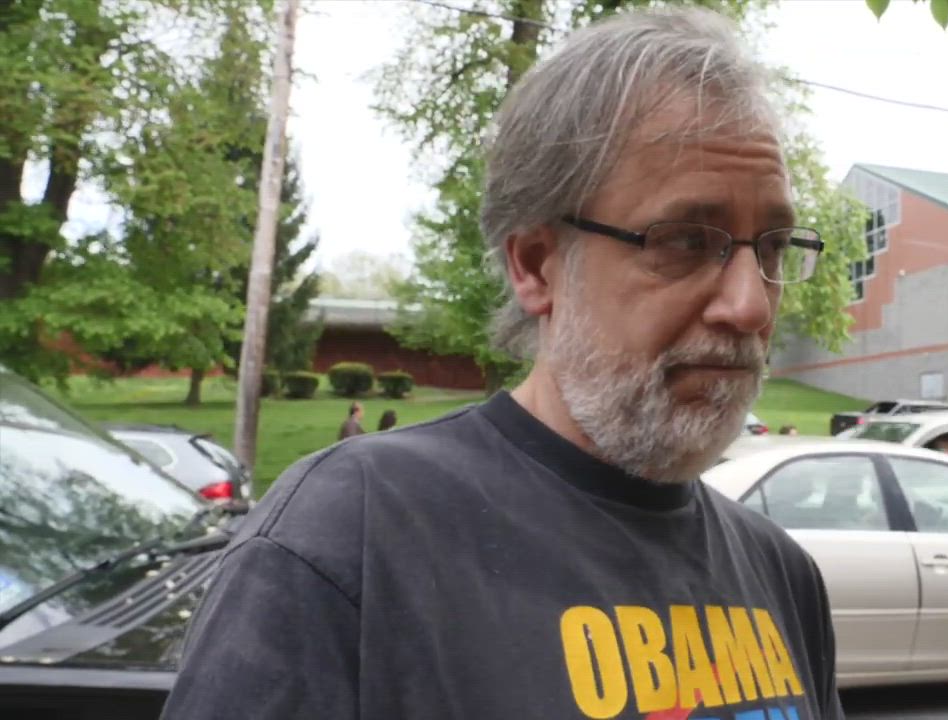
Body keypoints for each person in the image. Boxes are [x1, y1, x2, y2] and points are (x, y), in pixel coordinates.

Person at [162, 8, 841, 720]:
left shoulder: (780, 573)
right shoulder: (352, 535)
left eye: (772, 247)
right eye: (685, 241)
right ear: (537, 265)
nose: (750, 305)